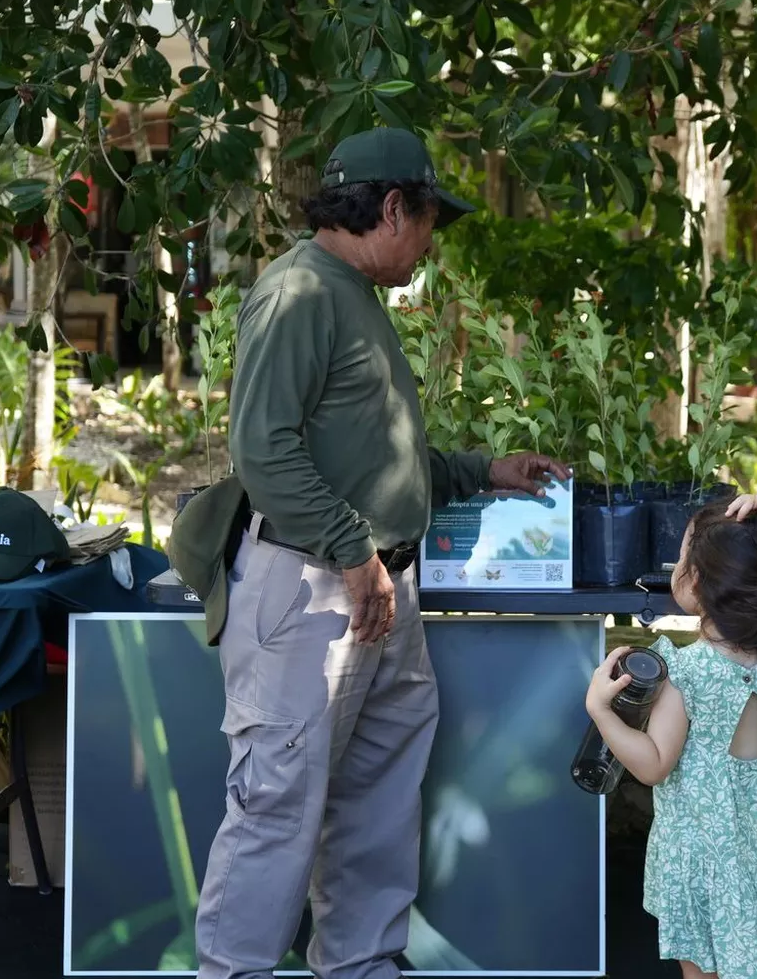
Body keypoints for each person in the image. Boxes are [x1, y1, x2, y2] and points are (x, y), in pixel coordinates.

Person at [190, 127, 569, 979]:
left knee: (376, 797)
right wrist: (357, 556)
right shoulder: (298, 292)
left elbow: (375, 456)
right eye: (431, 220)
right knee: (278, 807)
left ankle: (361, 964)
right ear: (393, 206)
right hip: (314, 590)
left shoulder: (353, 294)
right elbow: (264, 450)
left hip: (371, 588)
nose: (432, 242)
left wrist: (483, 471)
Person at [586, 490, 757, 979]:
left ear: (697, 584)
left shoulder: (687, 673)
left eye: (681, 558)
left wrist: (601, 710)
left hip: (705, 856)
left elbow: (654, 763)